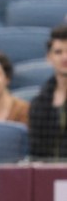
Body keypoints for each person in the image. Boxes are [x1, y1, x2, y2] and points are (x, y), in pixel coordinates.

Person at [28, 24, 67, 159]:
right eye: (58, 52)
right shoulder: (39, 103)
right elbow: (36, 152)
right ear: (49, 57)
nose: (65, 58)